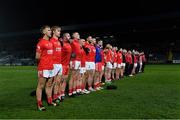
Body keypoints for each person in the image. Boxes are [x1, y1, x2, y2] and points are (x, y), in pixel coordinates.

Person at [35, 25, 56, 111]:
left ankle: (49, 101)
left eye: (50, 30)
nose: (50, 31)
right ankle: (39, 104)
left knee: (49, 84)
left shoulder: (50, 42)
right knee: (41, 86)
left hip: (51, 67)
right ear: (44, 32)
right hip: (43, 67)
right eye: (48, 30)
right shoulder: (41, 42)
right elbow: (37, 57)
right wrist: (40, 66)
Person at [50, 26, 62, 104]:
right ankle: (49, 98)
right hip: (54, 64)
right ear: (53, 31)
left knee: (58, 81)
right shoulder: (51, 41)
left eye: (60, 31)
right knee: (52, 82)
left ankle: (55, 96)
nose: (59, 32)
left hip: (59, 64)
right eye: (58, 31)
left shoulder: (59, 42)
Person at [69, 32, 81, 96]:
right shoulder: (72, 41)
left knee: (76, 77)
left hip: (78, 60)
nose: (79, 35)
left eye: (78, 34)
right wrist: (71, 55)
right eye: (77, 34)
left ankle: (75, 90)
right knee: (72, 77)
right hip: (74, 60)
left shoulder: (78, 43)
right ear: (73, 35)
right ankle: (70, 92)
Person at [61, 33, 72, 100]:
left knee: (65, 80)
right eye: (68, 36)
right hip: (62, 65)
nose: (69, 37)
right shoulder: (61, 43)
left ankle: (62, 93)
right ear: (64, 37)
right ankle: (58, 94)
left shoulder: (68, 44)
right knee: (60, 81)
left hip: (67, 65)